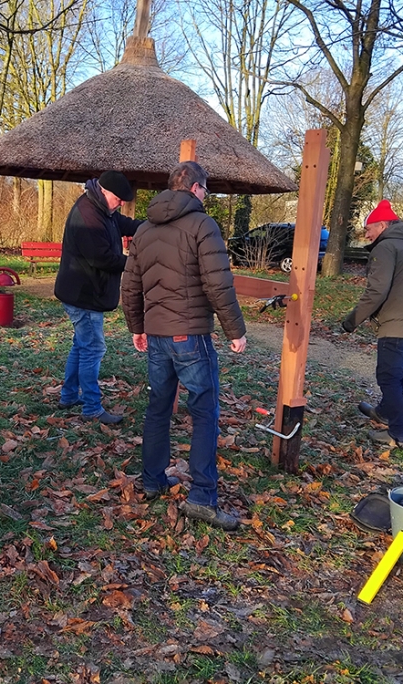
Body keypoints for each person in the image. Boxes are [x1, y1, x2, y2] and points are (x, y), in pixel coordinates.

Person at [122, 161, 247, 531]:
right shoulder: (202, 225)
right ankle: (202, 498)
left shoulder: (144, 230)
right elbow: (218, 283)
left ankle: (152, 480)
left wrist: (137, 327)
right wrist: (235, 330)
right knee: (205, 413)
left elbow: (130, 285)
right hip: (190, 335)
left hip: (158, 336)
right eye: (206, 190)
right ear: (195, 188)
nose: (206, 196)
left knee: (158, 408)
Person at [342, 200, 403, 448]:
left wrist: (351, 321)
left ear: (383, 225)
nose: (367, 235)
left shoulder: (386, 247)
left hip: (398, 325)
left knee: (388, 377)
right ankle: (384, 412)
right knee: (398, 373)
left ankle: (397, 434)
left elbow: (376, 291)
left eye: (369, 229)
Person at [54, 171, 142, 424]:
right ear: (104, 191)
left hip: (82, 293)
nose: (121, 203)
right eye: (118, 198)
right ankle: (92, 408)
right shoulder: (88, 216)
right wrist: (137, 263)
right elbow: (103, 258)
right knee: (93, 348)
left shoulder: (102, 208)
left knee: (81, 346)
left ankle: (69, 396)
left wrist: (152, 226)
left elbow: (124, 223)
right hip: (84, 295)